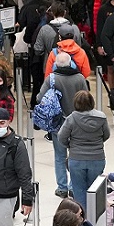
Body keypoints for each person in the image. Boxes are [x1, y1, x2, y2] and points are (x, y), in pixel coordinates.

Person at [37, 53, 88, 199]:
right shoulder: (79, 78)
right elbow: (86, 97)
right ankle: (73, 186)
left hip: (58, 123)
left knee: (59, 156)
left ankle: (61, 187)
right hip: (77, 123)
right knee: (75, 156)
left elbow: (40, 98)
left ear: (56, 64)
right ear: (70, 63)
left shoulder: (51, 79)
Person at [57, 91, 109, 212]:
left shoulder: (71, 118)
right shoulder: (101, 117)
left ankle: (81, 218)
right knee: (96, 190)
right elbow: (106, 135)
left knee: (79, 191)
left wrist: (70, 146)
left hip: (76, 159)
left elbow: (61, 137)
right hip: (97, 157)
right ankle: (95, 219)